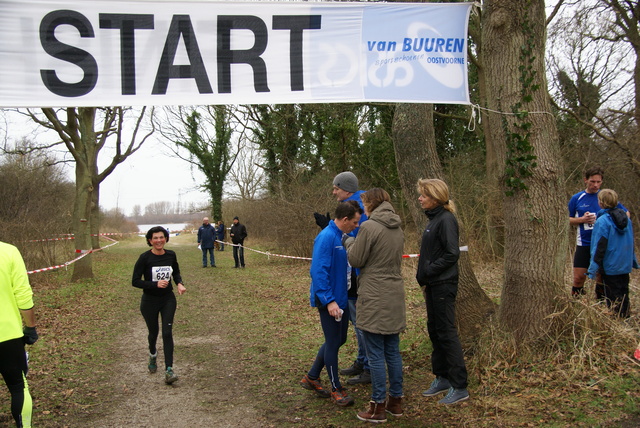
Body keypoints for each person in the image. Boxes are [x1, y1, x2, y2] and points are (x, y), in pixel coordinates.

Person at [343, 188, 406, 423]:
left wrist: (350, 242)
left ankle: (377, 406)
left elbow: (356, 259)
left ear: (371, 203)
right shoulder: (397, 227)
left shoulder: (369, 227)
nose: (363, 208)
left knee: (376, 354)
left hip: (374, 294)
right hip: (394, 292)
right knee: (392, 351)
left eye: (364, 203)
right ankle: (395, 402)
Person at [301, 200, 362, 407]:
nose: (357, 225)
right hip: (329, 300)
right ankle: (337, 388)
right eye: (354, 222)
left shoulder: (343, 235)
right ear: (345, 220)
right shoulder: (326, 237)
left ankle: (312, 377)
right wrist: (329, 301)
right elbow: (318, 272)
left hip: (341, 299)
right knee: (333, 343)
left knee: (338, 340)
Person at [315, 171, 371, 386]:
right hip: (348, 276)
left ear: (347, 188)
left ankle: (366, 365)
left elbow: (355, 240)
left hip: (355, 276)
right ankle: (360, 361)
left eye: (336, 188)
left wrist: (332, 230)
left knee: (358, 324)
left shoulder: (357, 208)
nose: (333, 191)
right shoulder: (356, 204)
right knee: (346, 331)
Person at [416, 178, 469, 405]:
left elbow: (451, 254)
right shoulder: (434, 219)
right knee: (435, 331)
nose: (419, 198)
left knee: (446, 332)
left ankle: (460, 386)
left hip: (444, 284)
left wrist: (429, 270)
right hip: (433, 285)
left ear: (436, 197)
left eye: (423, 195)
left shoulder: (446, 219)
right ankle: (442, 377)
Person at [132, 226, 187, 385]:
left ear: (166, 238)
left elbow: (175, 272)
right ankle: (152, 353)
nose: (158, 240)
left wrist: (179, 283)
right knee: (153, 332)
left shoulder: (171, 255)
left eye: (161, 237)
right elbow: (135, 281)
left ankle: (169, 370)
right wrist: (154, 284)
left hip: (167, 299)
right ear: (150, 240)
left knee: (167, 332)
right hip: (149, 301)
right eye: (155, 238)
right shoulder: (144, 258)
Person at [568, 166, 628, 297]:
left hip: (603, 244)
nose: (595, 185)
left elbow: (625, 214)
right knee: (578, 277)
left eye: (598, 182)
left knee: (601, 277)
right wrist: (582, 219)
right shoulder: (577, 198)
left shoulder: (605, 196)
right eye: (592, 182)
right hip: (584, 242)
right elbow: (566, 219)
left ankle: (599, 305)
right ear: (585, 180)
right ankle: (575, 303)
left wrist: (608, 220)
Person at [0, 241, 38, 428]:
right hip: (7, 334)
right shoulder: (8, 251)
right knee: (18, 387)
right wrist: (30, 327)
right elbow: (23, 294)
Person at [587, 189, 638, 318]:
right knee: (624, 292)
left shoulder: (602, 221)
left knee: (613, 296)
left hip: (610, 265)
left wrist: (593, 268)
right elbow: (631, 242)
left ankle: (618, 321)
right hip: (624, 264)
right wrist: (633, 261)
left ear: (601, 203)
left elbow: (599, 246)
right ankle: (625, 318)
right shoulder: (627, 220)